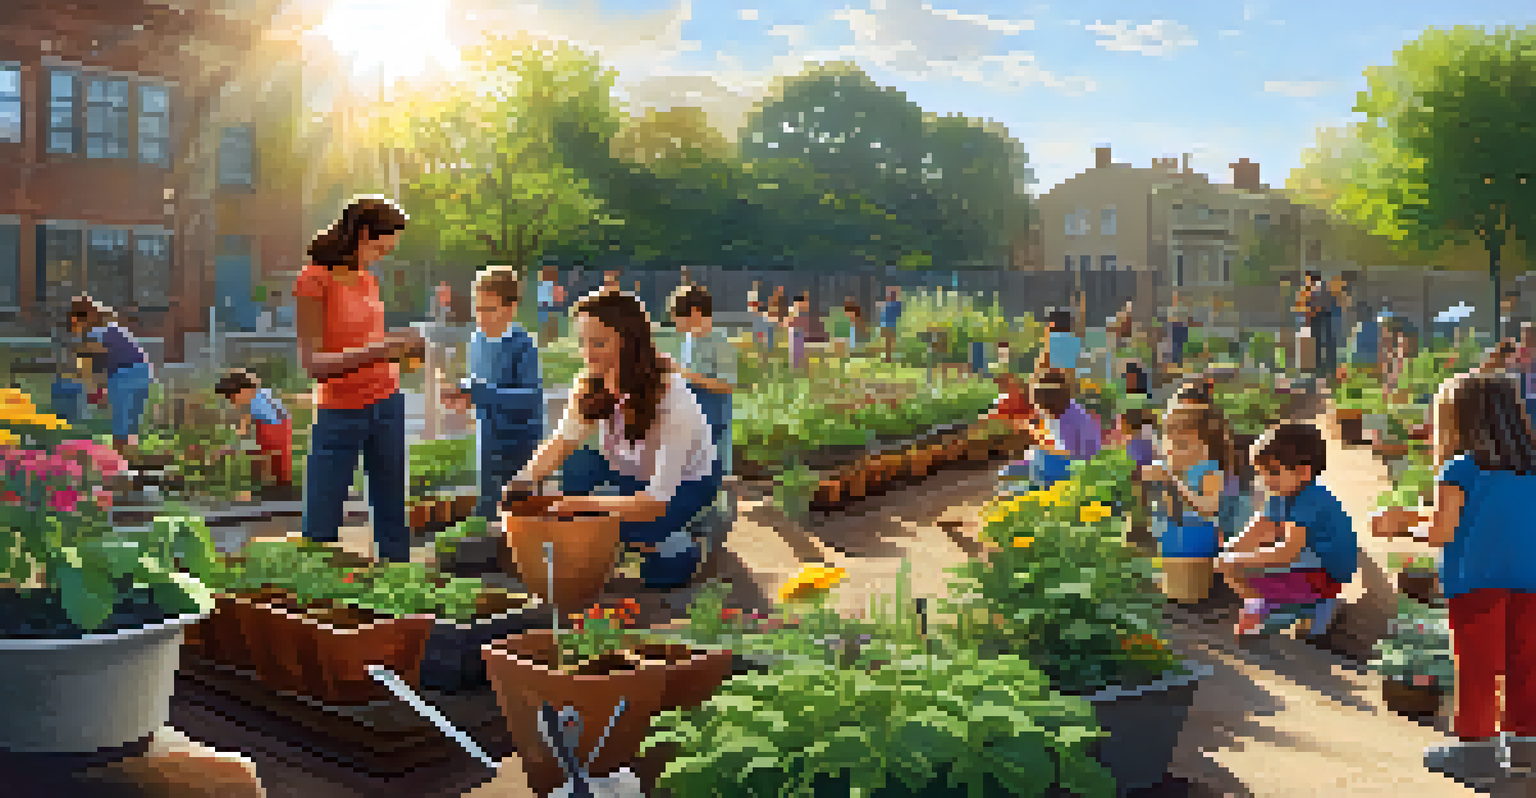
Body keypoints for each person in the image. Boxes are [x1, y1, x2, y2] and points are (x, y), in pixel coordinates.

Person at [1373, 373, 1536, 779]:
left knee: (1478, 667)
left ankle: (1477, 751)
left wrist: (1400, 525)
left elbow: (1443, 529)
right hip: (1531, 581)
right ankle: (1525, 746)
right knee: (1526, 664)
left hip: (1477, 581)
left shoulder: (1459, 469)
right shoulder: (1530, 469)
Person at [507, 289, 720, 590]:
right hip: (631, 472)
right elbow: (561, 443)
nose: (587, 352)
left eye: (598, 343)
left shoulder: (672, 400)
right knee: (578, 463)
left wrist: (579, 505)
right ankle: (608, 535)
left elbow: (656, 502)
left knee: (660, 575)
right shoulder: (590, 384)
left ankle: (687, 540)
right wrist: (523, 482)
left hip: (684, 484)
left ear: (630, 343)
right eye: (582, 341)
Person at [294, 197, 424, 563]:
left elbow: (366, 342)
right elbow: (313, 363)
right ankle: (313, 603)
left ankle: (400, 600)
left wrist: (403, 345)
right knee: (321, 521)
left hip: (386, 403)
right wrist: (382, 350)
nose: (383, 256)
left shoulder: (368, 279)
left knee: (391, 515)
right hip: (339, 412)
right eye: (381, 247)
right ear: (363, 234)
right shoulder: (313, 281)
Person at [1219, 422, 1356, 638]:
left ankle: (1310, 604)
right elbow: (1260, 527)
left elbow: (1287, 552)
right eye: (1262, 473)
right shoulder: (1280, 492)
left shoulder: (1311, 499)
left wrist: (1238, 559)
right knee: (1235, 564)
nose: (1266, 480)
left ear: (1302, 472)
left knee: (1241, 567)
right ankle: (1274, 604)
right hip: (1306, 562)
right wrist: (1229, 549)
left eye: (1273, 472)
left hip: (1325, 573)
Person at [443, 265, 543, 520]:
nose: (481, 316)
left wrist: (482, 393)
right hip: (487, 438)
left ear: (510, 309)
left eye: (489, 310)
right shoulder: (477, 339)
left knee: (520, 509)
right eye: (478, 309)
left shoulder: (523, 345)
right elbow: (478, 382)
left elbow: (530, 398)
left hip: (520, 442)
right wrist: (463, 390)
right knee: (487, 504)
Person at [1142, 379, 1243, 561]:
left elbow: (1210, 507)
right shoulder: (1169, 466)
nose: (1171, 449)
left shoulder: (1209, 468)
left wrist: (1174, 482)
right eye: (1169, 441)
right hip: (1172, 542)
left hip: (1199, 543)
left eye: (1181, 443)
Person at [68, 295, 153, 457]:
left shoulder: (93, 334)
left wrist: (93, 391)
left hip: (124, 375)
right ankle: (131, 463)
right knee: (131, 425)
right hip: (143, 372)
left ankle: (119, 466)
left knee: (120, 426)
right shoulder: (112, 327)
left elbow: (88, 364)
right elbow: (107, 359)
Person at [671, 285, 738, 476]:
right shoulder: (688, 339)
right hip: (692, 420)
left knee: (715, 472)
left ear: (694, 313)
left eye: (678, 318)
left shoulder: (721, 342)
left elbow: (727, 386)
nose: (676, 324)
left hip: (714, 420)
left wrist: (685, 375)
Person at [213, 368, 294, 496]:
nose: (232, 402)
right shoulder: (263, 394)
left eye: (232, 397)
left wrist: (231, 445)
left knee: (265, 457)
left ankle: (271, 486)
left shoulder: (253, 401)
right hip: (280, 426)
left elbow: (245, 426)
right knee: (276, 459)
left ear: (244, 390)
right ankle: (278, 485)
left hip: (272, 429)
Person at [1023, 368, 1101, 488]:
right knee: (1031, 456)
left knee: (1036, 457)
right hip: (1069, 461)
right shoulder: (1063, 408)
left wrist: (1037, 438)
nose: (1038, 406)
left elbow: (1067, 453)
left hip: (1080, 467)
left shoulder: (1069, 418)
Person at [786, 294, 812, 370]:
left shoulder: (802, 311)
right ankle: (793, 367)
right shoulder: (792, 310)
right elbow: (789, 321)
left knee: (800, 351)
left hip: (800, 332)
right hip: (793, 332)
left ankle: (799, 366)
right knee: (793, 351)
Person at [880, 286, 902, 363]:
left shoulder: (893, 304)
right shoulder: (888, 304)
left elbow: (884, 316)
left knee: (890, 343)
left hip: (892, 326)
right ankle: (888, 358)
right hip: (889, 326)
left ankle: (890, 358)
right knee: (888, 343)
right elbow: (883, 316)